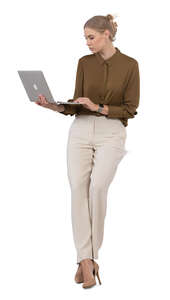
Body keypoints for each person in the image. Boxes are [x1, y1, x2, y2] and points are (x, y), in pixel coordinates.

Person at [35, 13, 140, 289]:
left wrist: (98, 108)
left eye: (91, 37)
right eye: (85, 38)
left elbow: (130, 108)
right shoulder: (83, 63)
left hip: (111, 132)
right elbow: (77, 103)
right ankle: (85, 261)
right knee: (78, 190)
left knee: (97, 189)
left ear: (107, 34)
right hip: (80, 130)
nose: (87, 43)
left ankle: (92, 257)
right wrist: (53, 106)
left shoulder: (130, 65)